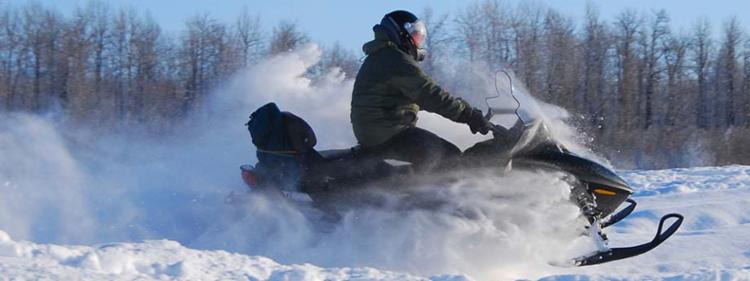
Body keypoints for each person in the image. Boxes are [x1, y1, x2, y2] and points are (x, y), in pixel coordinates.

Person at [351, 10, 492, 171]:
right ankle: (433, 194)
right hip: (387, 132)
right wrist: (467, 114)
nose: (418, 43)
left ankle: (425, 190)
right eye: (416, 37)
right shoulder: (394, 59)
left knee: (438, 155)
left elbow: (419, 96)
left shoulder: (384, 56)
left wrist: (462, 108)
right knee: (448, 157)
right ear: (401, 33)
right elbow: (428, 94)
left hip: (380, 131)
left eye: (420, 38)